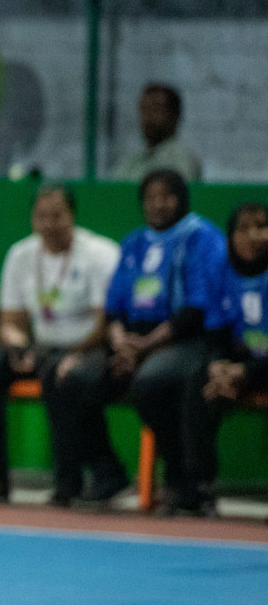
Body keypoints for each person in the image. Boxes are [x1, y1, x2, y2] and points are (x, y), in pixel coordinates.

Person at [45, 169, 225, 508]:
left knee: (153, 381)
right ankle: (106, 471)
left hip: (183, 340)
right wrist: (121, 342)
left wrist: (145, 348)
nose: (158, 204)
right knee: (73, 378)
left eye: (166, 196)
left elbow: (194, 311)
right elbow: (113, 308)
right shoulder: (134, 243)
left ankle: (185, 480)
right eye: (150, 197)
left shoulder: (202, 238)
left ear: (181, 198)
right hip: (131, 341)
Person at [0, 184, 119, 503]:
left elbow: (107, 323)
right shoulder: (21, 255)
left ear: (72, 216)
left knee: (58, 374)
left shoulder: (100, 254)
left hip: (92, 348)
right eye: (41, 216)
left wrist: (73, 354)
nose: (48, 224)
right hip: (43, 347)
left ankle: (69, 483)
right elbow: (10, 322)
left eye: (57, 216)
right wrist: (18, 346)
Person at [189, 202, 268, 514]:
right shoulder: (221, 270)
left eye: (261, 226)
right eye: (243, 229)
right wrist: (220, 366)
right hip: (242, 367)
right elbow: (217, 334)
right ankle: (198, 487)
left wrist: (245, 372)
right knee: (200, 382)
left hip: (257, 368)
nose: (253, 236)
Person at [110, 82, 202, 183]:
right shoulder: (131, 161)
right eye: (144, 110)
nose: (147, 118)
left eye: (156, 110)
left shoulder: (184, 162)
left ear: (175, 116)